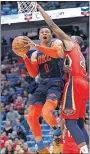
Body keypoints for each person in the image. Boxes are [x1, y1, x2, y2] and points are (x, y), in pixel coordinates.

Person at [29, 4, 89, 154]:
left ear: (73, 40)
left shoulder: (70, 44)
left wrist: (40, 9)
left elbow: (52, 24)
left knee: (69, 121)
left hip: (72, 84)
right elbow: (69, 64)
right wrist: (65, 68)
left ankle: (80, 149)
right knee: (80, 122)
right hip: (83, 84)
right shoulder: (79, 54)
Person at [17, 27, 65, 154]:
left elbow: (55, 54)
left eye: (47, 32)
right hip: (42, 84)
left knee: (46, 112)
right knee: (31, 117)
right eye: (42, 32)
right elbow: (33, 74)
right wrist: (25, 57)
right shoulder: (34, 54)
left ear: (50, 35)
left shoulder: (57, 43)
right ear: (39, 36)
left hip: (55, 82)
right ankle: (41, 147)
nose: (45, 33)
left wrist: (35, 46)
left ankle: (57, 133)